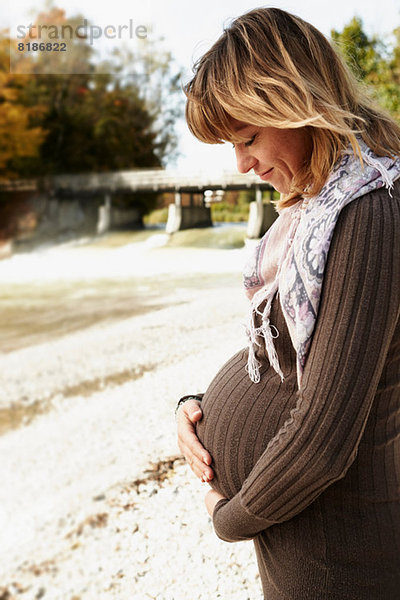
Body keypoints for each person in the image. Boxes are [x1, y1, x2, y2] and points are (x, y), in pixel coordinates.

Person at [176, 7, 400, 600]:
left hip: (340, 551)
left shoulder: (367, 210)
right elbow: (292, 357)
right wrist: (197, 407)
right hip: (303, 530)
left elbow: (324, 440)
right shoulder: (320, 208)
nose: (242, 164)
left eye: (248, 138)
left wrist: (230, 517)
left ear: (300, 104)